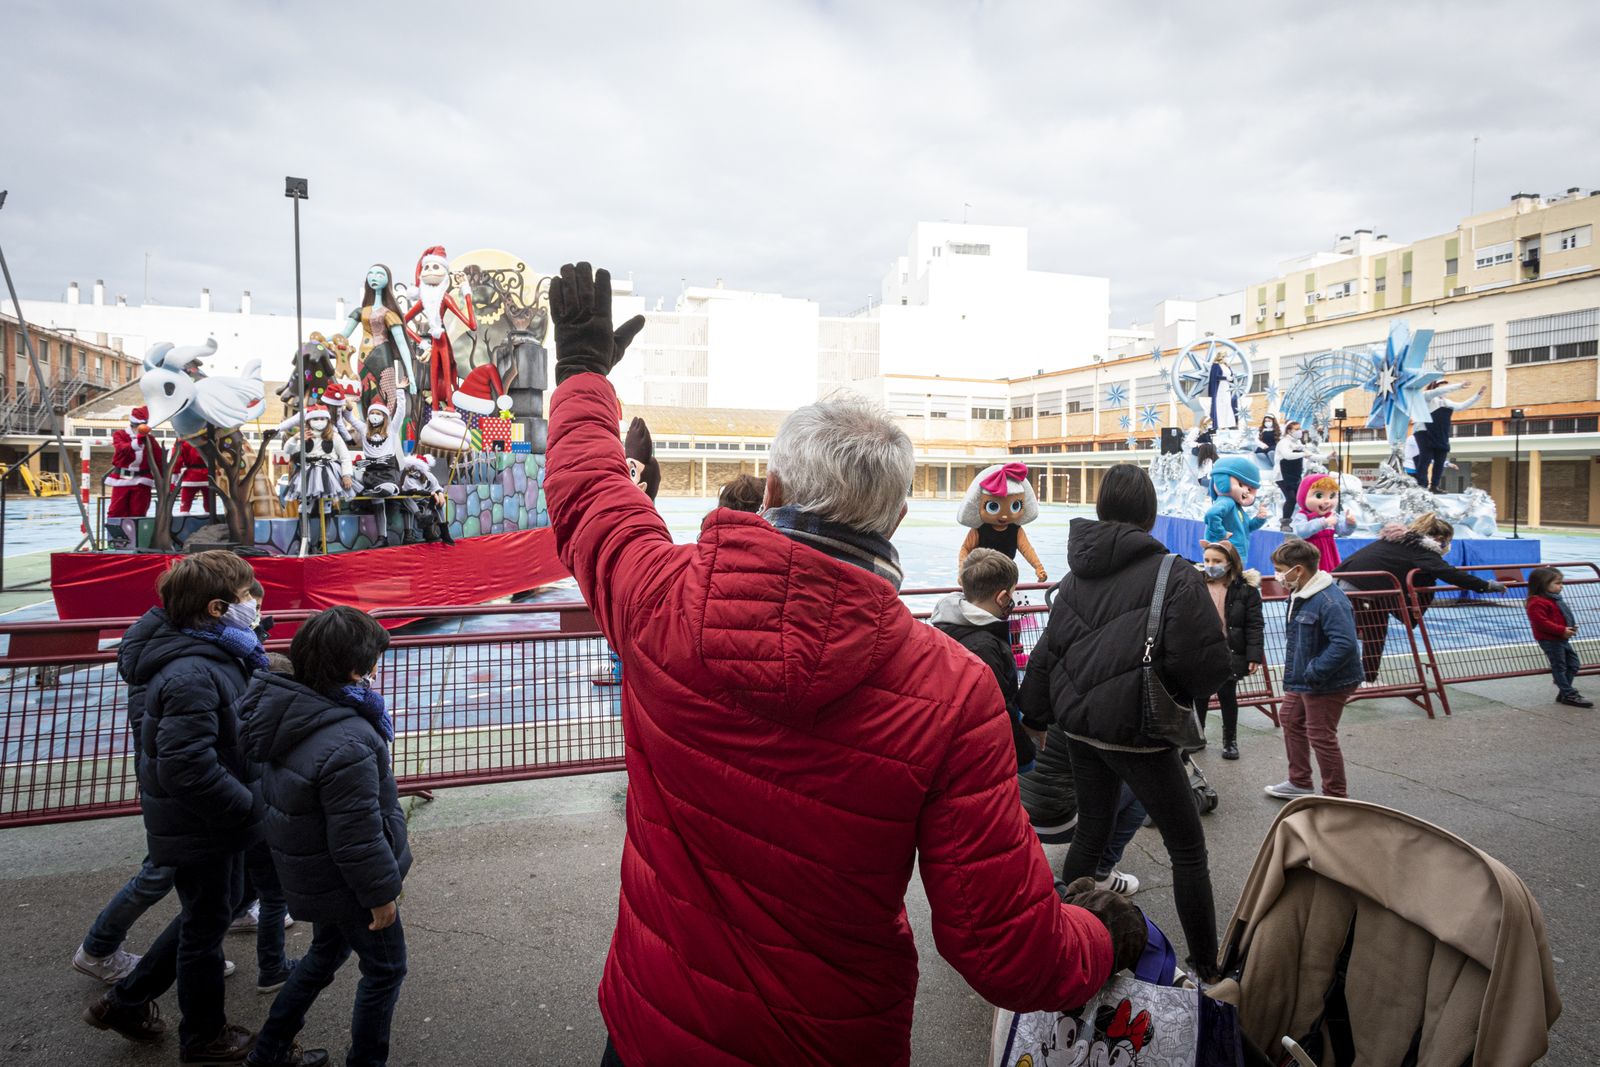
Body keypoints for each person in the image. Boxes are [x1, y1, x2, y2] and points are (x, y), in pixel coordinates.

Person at [543, 262, 1142, 1067]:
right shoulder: (951, 691)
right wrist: (1102, 933)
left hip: (655, 1028)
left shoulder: (662, 600)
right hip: (830, 1040)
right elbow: (1006, 948)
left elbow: (588, 493)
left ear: (776, 484)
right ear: (896, 517)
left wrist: (581, 372)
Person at [1020, 463, 1233, 979]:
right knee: (1187, 848)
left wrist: (1036, 713)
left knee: (1091, 830)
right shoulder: (1175, 573)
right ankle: (1208, 967)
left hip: (1080, 729)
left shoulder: (1075, 575)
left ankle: (1068, 934)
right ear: (1150, 512)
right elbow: (1207, 664)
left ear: (1101, 509)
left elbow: (1050, 650)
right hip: (1139, 732)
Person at [83, 552, 266, 1062]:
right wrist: (251, 807)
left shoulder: (218, 652)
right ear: (214, 608)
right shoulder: (190, 671)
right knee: (204, 933)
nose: (255, 604)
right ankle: (203, 1036)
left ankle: (127, 999)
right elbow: (186, 767)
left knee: (211, 914)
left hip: (217, 819)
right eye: (248, 595)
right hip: (202, 823)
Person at [239, 606, 410, 1067]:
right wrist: (380, 895)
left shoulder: (288, 712)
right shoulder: (350, 738)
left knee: (322, 956)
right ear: (357, 669)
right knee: (386, 970)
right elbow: (357, 834)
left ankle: (269, 1050)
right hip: (350, 883)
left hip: (312, 868)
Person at [1336, 514, 1506, 684]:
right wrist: (1486, 585)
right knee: (1371, 634)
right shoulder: (1422, 550)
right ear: (1440, 539)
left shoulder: (1400, 541)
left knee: (1373, 632)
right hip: (1360, 590)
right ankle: (1359, 678)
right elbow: (1449, 573)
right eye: (1449, 540)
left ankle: (1366, 676)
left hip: (1349, 584)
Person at [930, 548, 1049, 774]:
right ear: (1003, 597)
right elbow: (998, 709)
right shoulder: (985, 648)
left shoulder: (943, 628)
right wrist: (1025, 756)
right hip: (982, 757)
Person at [1263, 538, 1363, 800]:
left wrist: (1315, 671)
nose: (1278, 575)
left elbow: (1345, 644)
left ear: (1298, 570)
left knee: (1321, 735)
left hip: (1327, 680)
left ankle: (1335, 796)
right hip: (1308, 677)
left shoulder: (1329, 600)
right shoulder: (1302, 592)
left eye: (1280, 568)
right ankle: (1300, 781)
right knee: (1290, 718)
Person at [1196, 540, 1263, 761]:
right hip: (1202, 650)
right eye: (1207, 560)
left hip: (1230, 651)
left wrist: (1253, 655)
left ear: (1229, 563)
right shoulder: (1197, 583)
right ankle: (1198, 736)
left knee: (1227, 695)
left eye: (1216, 561)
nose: (1210, 565)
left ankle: (1230, 741)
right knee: (1200, 695)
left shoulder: (1245, 590)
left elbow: (1254, 624)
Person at [1525, 567, 1594, 708]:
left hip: (1560, 638)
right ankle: (1569, 694)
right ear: (1543, 584)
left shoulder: (1554, 599)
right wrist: (1562, 630)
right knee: (1560, 666)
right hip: (1550, 639)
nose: (1561, 586)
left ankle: (1564, 691)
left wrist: (1568, 627)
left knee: (1573, 664)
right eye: (1557, 583)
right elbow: (1541, 623)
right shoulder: (1537, 602)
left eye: (1561, 583)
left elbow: (1559, 616)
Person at [1414, 380, 1483, 492]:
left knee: (1440, 460)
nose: (1446, 389)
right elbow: (1440, 391)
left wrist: (1477, 396)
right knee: (1425, 458)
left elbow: (1461, 406)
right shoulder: (1427, 397)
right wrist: (1459, 385)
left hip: (1440, 433)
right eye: (1444, 387)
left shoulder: (1446, 402)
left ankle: (1434, 486)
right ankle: (1421, 485)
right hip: (1424, 431)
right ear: (1435, 387)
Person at [1273, 421, 1318, 531]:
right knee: (1291, 498)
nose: (1300, 431)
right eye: (1296, 429)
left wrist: (1328, 457)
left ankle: (1309, 519)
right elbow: (1287, 455)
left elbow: (1311, 456)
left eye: (1300, 429)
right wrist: (1303, 454)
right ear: (1289, 430)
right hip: (1282, 475)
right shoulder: (1284, 442)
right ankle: (1285, 523)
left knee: (1303, 497)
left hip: (1295, 475)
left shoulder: (1298, 443)